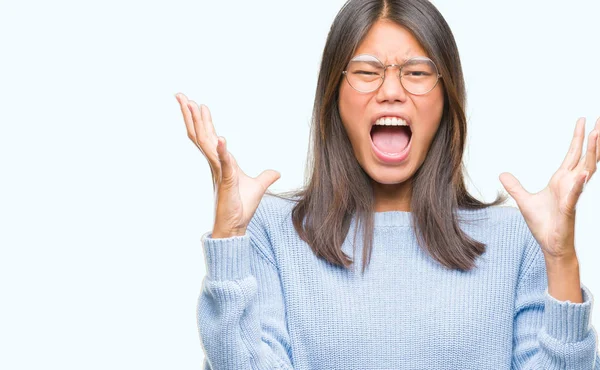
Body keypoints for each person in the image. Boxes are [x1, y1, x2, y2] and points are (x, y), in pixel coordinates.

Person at [175, 0, 600, 368]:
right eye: (367, 71)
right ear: (335, 95)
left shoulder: (517, 240)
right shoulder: (271, 231)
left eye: (416, 73)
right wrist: (228, 237)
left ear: (446, 98)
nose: (391, 91)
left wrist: (561, 259)